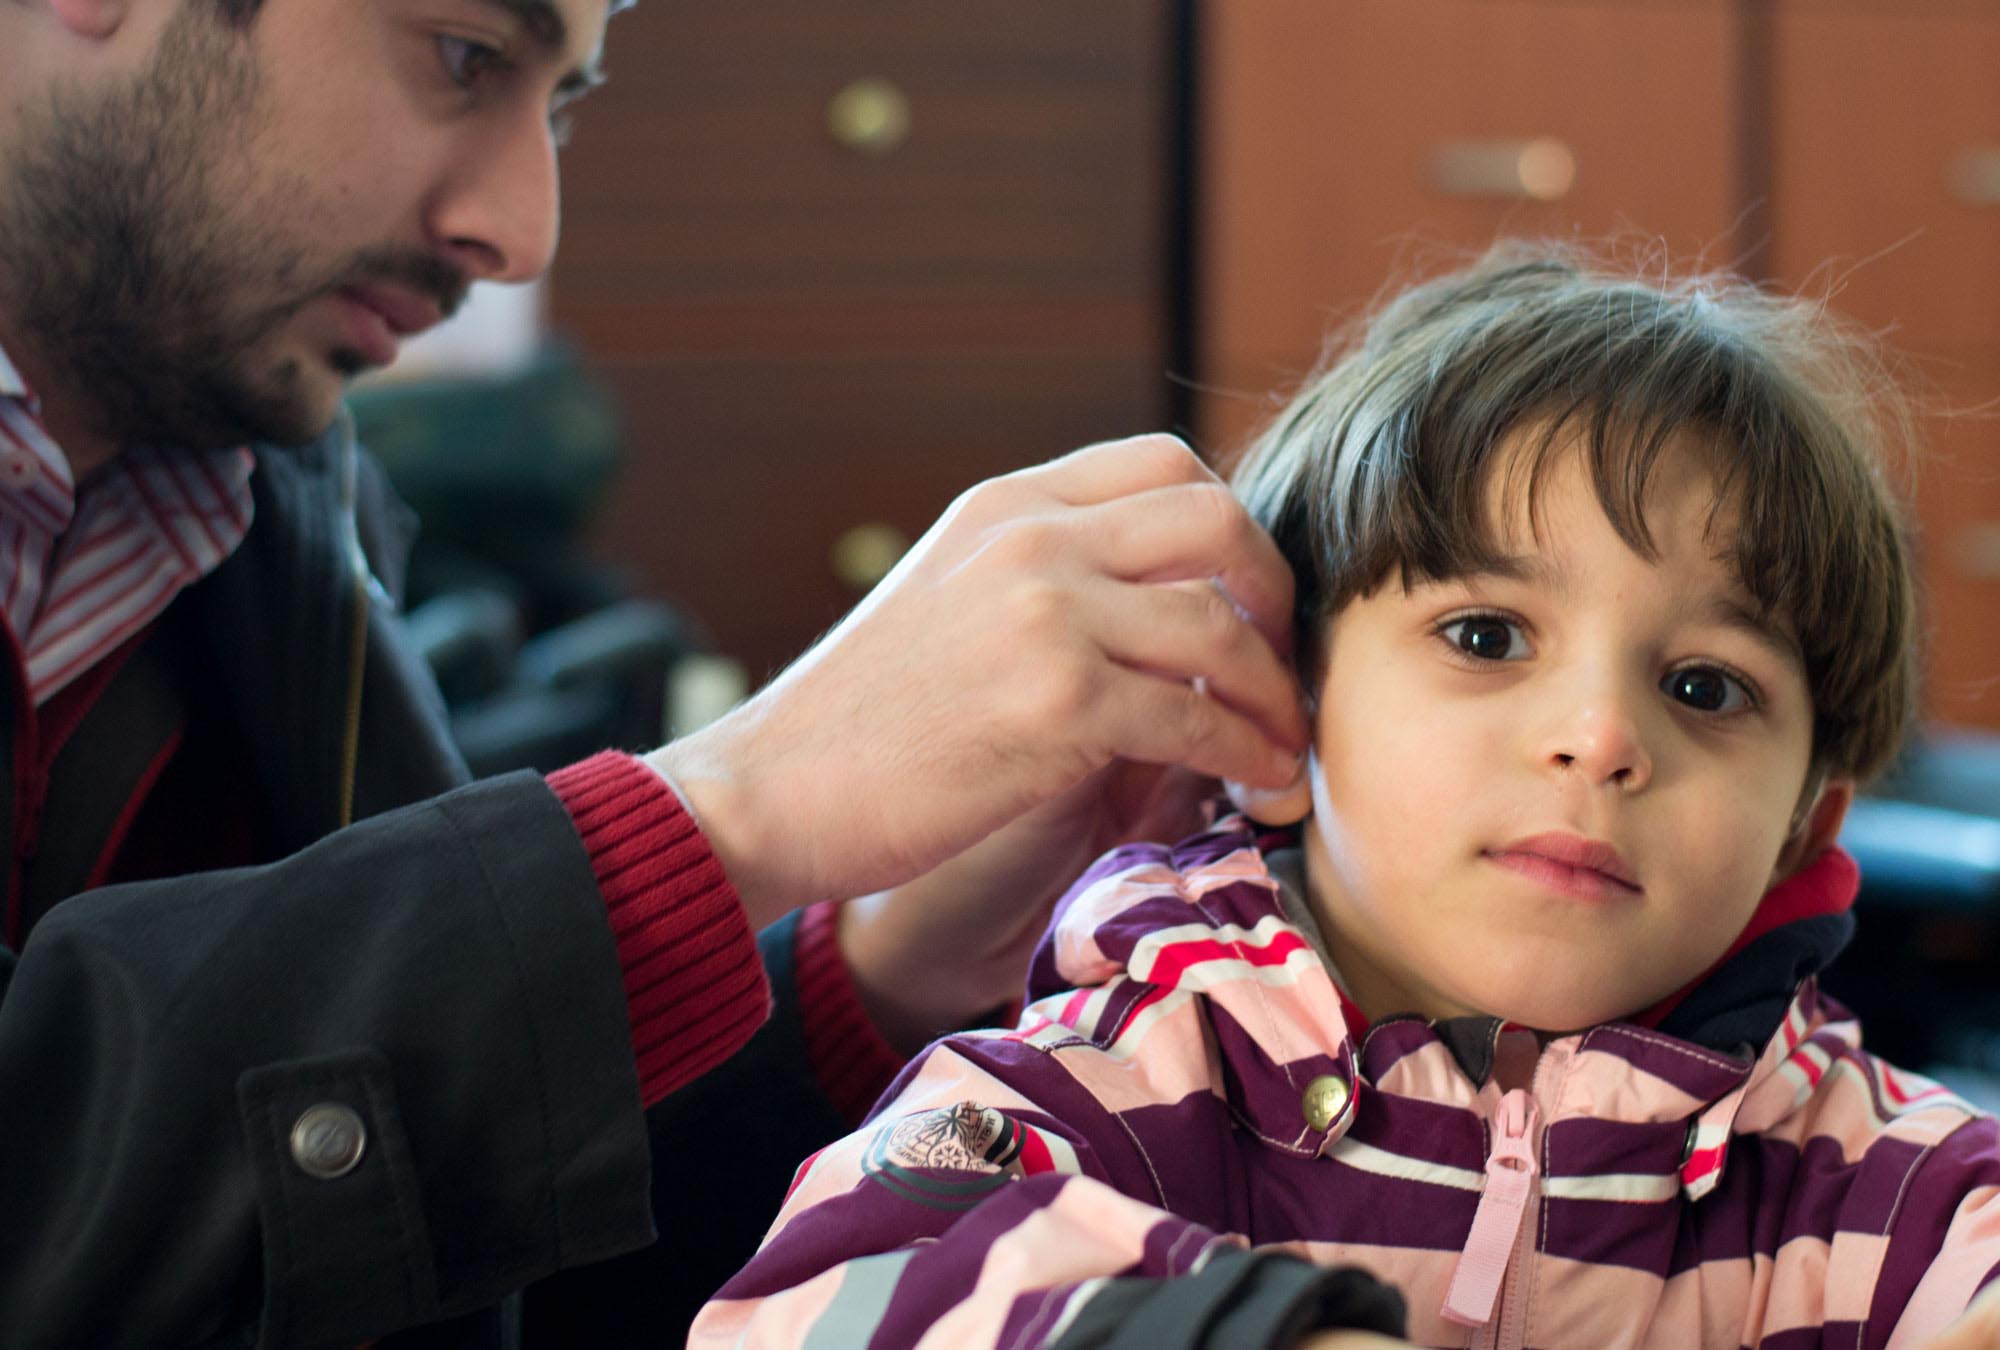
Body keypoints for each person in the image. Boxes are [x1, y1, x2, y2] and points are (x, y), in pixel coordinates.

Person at [0, 0, 1315, 1344]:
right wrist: (731, 811)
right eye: (466, 58)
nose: (522, 234)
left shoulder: (261, 520)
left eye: (560, 105)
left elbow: (363, 1259)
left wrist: (857, 992)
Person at [691, 244, 2000, 1349]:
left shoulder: (1877, 1187)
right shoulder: (1116, 1081)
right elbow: (827, 1292)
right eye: (1488, 636)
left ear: (1803, 829)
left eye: (1707, 687)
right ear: (1276, 711)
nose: (1601, 737)